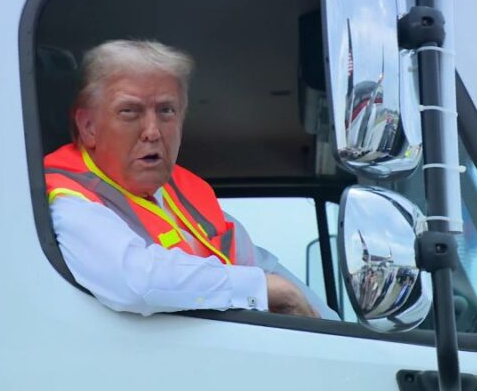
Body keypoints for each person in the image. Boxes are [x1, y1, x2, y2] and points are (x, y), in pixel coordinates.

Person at [44, 39, 338, 319]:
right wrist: (261, 288)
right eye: (130, 111)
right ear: (88, 127)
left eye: (166, 111)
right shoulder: (67, 196)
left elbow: (266, 268)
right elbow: (134, 281)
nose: (152, 131)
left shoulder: (187, 195)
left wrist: (335, 331)